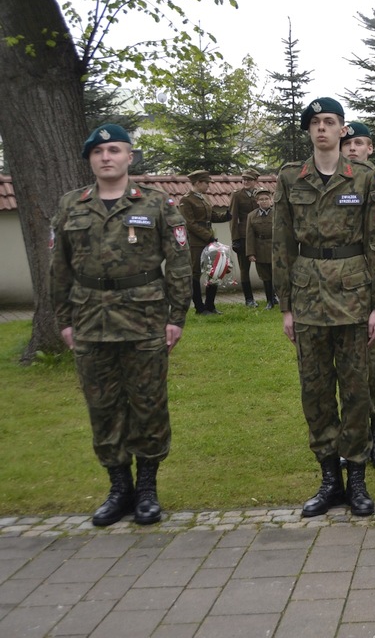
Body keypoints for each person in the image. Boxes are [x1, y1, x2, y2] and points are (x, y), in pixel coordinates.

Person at [50, 124, 192, 526]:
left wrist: (176, 317)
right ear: (90, 160)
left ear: (130, 156)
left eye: (114, 150)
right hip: (89, 320)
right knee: (102, 406)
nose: (106, 157)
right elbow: (58, 268)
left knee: (149, 404)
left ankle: (146, 488)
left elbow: (179, 263)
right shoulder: (71, 206)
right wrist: (64, 320)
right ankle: (118, 488)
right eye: (98, 152)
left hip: (144, 319)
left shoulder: (157, 203)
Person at [273, 96, 375, 518]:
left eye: (330, 122)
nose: (322, 128)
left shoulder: (365, 179)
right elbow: (281, 244)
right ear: (309, 131)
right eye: (315, 123)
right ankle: (329, 479)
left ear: (343, 129)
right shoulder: (290, 178)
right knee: (315, 392)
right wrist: (286, 307)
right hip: (308, 297)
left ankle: (357, 479)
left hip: (354, 297)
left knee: (356, 390)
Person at [340, 121, 375, 469]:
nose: (352, 148)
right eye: (347, 143)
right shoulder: (332, 184)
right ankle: (352, 438)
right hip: (339, 294)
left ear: (370, 148)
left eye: (359, 143)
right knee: (346, 370)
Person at [180, 169, 230, 315]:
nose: (208, 185)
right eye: (206, 183)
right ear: (197, 183)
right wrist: (208, 237)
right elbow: (189, 223)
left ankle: (210, 305)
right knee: (195, 273)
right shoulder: (186, 200)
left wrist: (227, 215)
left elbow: (212, 216)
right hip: (196, 241)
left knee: (214, 271)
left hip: (209, 239)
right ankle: (199, 307)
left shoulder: (205, 198)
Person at [228, 168, 261, 307]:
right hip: (243, 236)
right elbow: (233, 218)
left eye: (249, 179)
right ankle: (249, 299)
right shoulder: (237, 195)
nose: (245, 182)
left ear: (255, 181)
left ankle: (271, 296)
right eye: (244, 179)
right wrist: (235, 239)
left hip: (259, 235)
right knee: (244, 268)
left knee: (265, 266)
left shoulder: (260, 194)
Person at [244, 186, 278, 309]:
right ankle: (269, 301)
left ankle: (279, 299)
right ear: (257, 201)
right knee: (265, 277)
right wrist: (251, 253)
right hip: (260, 249)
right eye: (261, 199)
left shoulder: (277, 214)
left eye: (266, 199)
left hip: (275, 249)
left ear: (271, 200)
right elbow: (249, 236)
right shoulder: (252, 216)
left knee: (277, 276)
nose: (264, 201)